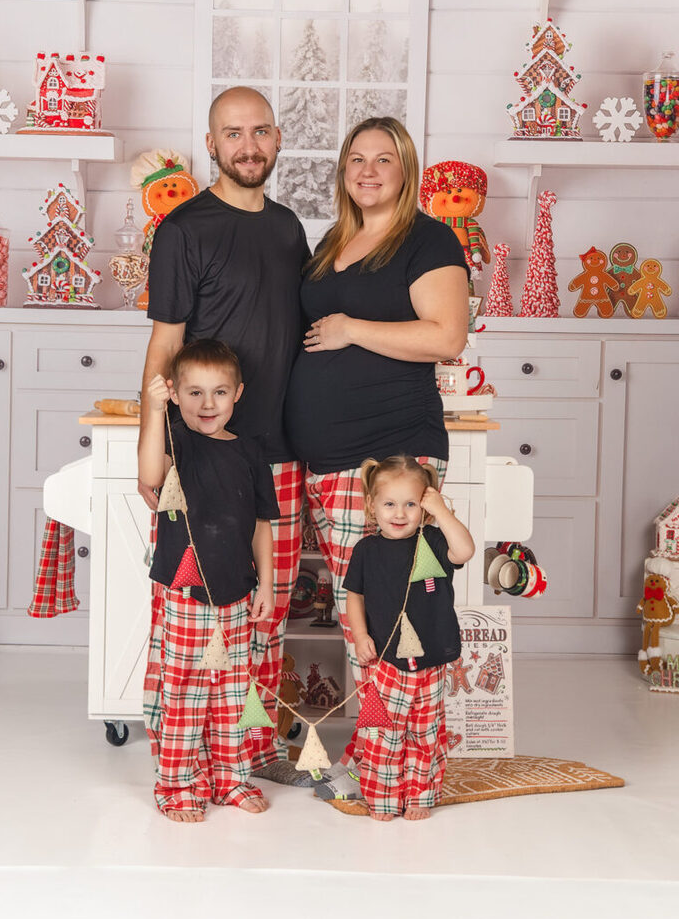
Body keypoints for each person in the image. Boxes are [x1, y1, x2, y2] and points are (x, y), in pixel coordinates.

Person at [284, 116, 470, 807]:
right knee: (359, 608)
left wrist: (351, 328)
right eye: (355, 159)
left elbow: (447, 335)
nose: (367, 170)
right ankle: (377, 750)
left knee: (397, 615)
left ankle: (403, 760)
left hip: (392, 453)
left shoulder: (425, 237)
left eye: (383, 159)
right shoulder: (333, 242)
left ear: (406, 168)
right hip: (326, 459)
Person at [139, 87, 312, 786]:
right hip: (199, 458)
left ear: (276, 140)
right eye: (233, 133)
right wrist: (151, 439)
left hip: (276, 450)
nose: (248, 145)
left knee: (264, 616)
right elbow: (164, 345)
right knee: (190, 614)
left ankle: (247, 753)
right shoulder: (184, 229)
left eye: (260, 131)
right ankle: (182, 753)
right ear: (211, 144)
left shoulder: (288, 228)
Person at [139, 338, 279, 822]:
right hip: (186, 594)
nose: (207, 404)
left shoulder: (250, 451)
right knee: (184, 691)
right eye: (194, 392)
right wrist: (154, 411)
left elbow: (263, 522)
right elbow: (150, 475)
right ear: (176, 394)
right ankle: (177, 785)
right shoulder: (176, 440)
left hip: (236, 592)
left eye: (219, 392)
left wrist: (268, 584)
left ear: (237, 393)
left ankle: (231, 778)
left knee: (232, 691)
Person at [344, 456, 475, 820]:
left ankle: (419, 795)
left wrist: (441, 511)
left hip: (431, 660)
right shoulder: (366, 550)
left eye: (411, 504)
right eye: (389, 503)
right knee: (383, 733)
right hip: (386, 661)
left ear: (424, 506)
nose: (399, 513)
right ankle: (382, 798)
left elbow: (464, 550)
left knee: (425, 733)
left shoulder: (433, 539)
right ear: (372, 506)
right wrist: (359, 635)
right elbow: (354, 596)